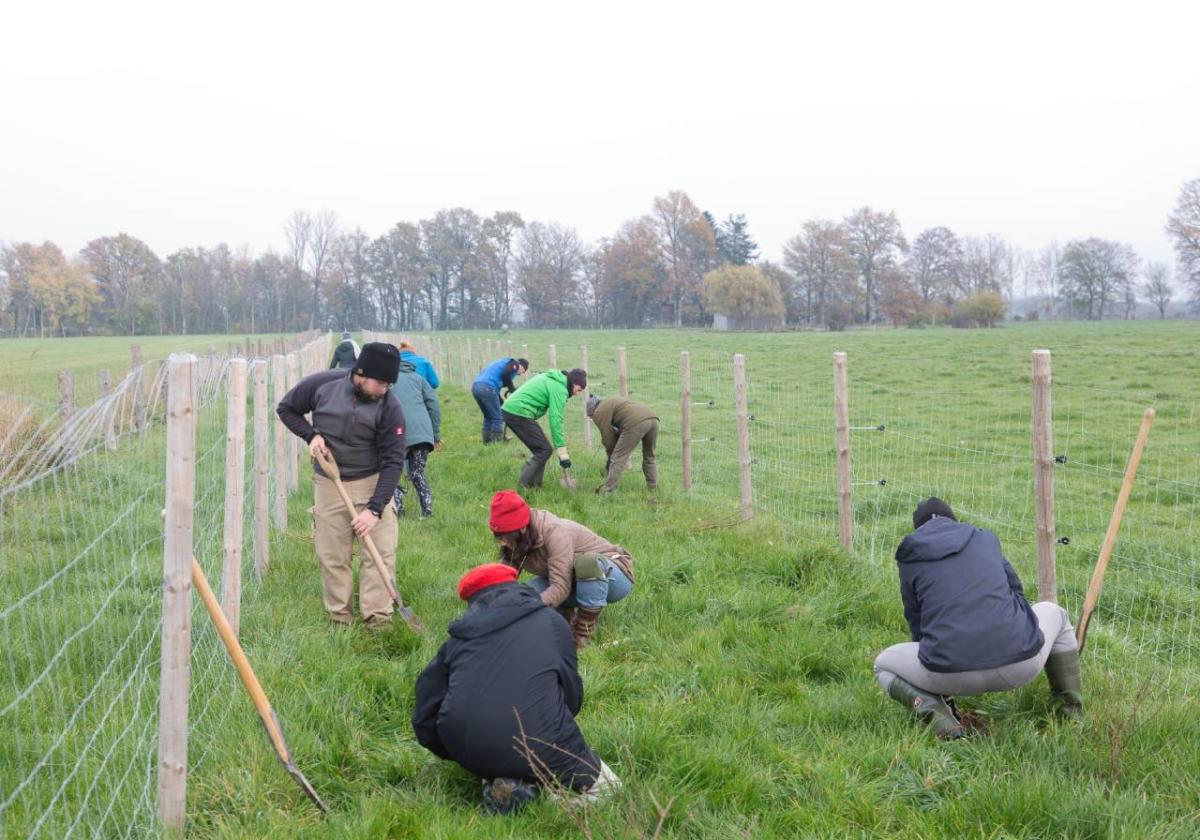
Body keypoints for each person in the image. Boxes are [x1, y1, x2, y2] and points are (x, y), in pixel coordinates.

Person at [412, 563, 621, 814]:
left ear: (473, 601)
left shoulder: (457, 642)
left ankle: (501, 779)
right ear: (515, 586)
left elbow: (424, 714)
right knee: (612, 790)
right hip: (541, 738)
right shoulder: (554, 624)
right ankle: (540, 802)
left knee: (500, 752)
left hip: (467, 747)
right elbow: (572, 695)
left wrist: (457, 751)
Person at [873, 498, 1084, 738]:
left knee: (883, 665)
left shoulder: (910, 556)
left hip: (949, 674)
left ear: (918, 529)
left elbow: (916, 621)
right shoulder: (984, 538)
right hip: (1022, 662)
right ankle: (1071, 715)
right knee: (1053, 611)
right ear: (953, 520)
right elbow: (1016, 589)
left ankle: (943, 722)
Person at [276, 342, 406, 631]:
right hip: (330, 482)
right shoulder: (323, 385)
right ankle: (340, 620)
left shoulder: (390, 406)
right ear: (361, 373)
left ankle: (378, 620)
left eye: (389, 384)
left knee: (379, 553)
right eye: (381, 382)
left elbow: (394, 461)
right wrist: (311, 436)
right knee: (333, 554)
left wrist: (375, 509)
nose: (384, 389)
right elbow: (286, 409)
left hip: (373, 480)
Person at [488, 490, 633, 649]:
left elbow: (561, 587)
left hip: (614, 577)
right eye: (498, 537)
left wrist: (528, 607)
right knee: (525, 594)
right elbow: (503, 582)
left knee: (587, 563)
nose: (502, 543)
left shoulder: (555, 532)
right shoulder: (517, 538)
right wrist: (493, 609)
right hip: (572, 579)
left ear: (522, 529)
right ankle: (564, 618)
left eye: (505, 537)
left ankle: (582, 635)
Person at [501, 368, 587, 488]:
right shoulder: (560, 389)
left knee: (541, 450)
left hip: (512, 410)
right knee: (544, 450)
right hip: (518, 412)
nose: (577, 393)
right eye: (579, 390)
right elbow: (556, 420)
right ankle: (524, 486)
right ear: (574, 383)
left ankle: (535, 486)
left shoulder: (553, 378)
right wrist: (562, 452)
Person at [389, 355, 442, 518]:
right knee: (417, 473)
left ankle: (398, 511)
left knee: (392, 474)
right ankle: (427, 512)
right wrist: (435, 434)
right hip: (422, 434)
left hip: (397, 435)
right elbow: (434, 405)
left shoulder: (387, 382)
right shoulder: (419, 379)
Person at [586, 395, 659, 492]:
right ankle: (653, 488)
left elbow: (608, 439)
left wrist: (611, 455)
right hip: (653, 420)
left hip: (636, 422)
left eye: (592, 416)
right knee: (649, 456)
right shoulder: (611, 402)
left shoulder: (599, 411)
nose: (593, 418)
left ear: (592, 411)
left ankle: (608, 490)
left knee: (618, 457)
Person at [472, 356, 529, 444]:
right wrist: (512, 389)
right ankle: (496, 444)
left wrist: (501, 402)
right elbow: (505, 374)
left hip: (476, 386)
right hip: (487, 388)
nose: (520, 374)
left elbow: (495, 386)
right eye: (522, 372)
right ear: (522, 367)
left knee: (488, 417)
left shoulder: (503, 363)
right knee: (498, 418)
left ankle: (487, 443)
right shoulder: (515, 363)